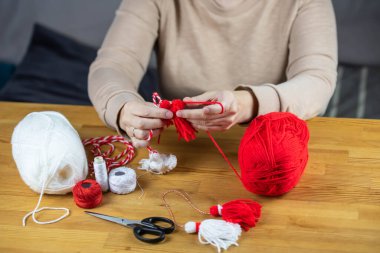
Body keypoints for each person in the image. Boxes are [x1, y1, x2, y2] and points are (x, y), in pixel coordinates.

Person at [88, 0, 337, 147]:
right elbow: (112, 65)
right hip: (185, 147)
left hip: (272, 144)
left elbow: (317, 80)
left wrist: (246, 103)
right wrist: (121, 108)